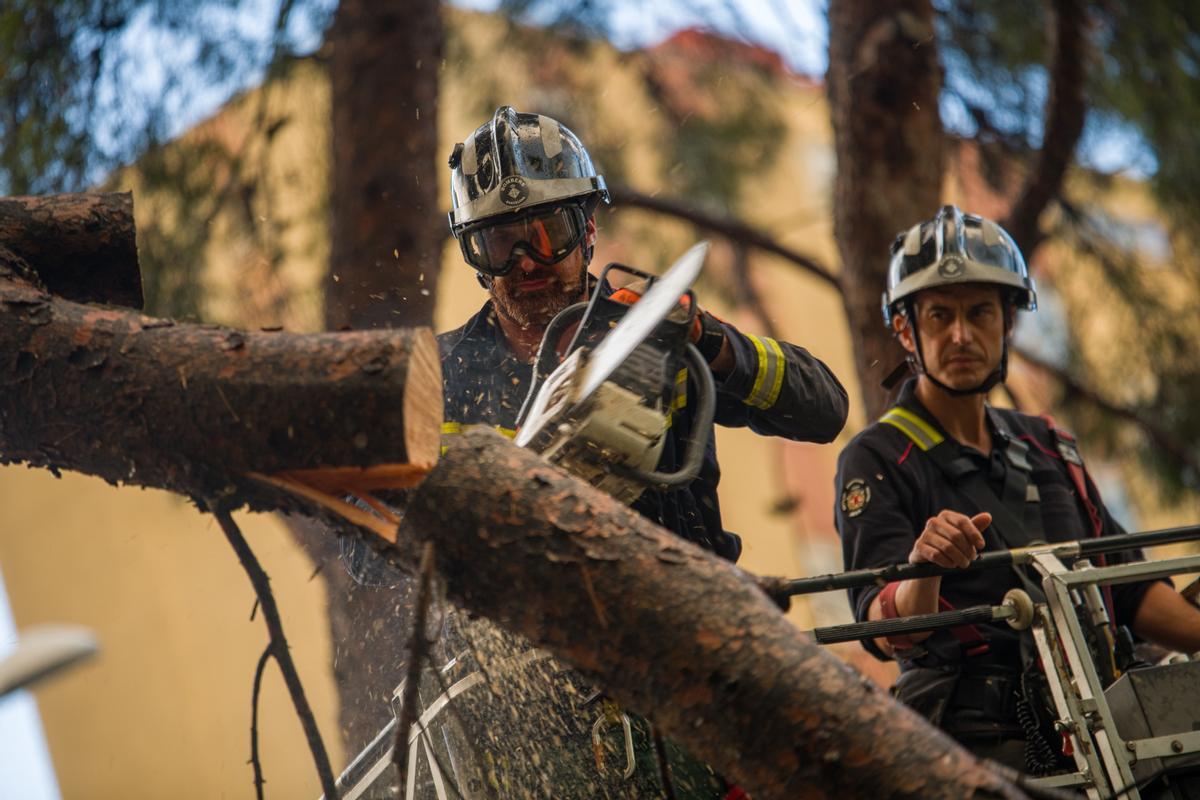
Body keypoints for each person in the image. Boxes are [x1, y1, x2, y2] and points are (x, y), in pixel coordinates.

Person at [340, 106, 848, 799]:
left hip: (695, 673)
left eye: (546, 235)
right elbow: (357, 545)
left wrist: (713, 344)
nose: (526, 267)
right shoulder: (441, 381)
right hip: (532, 724)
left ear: (588, 228)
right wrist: (445, 509)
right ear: (472, 256)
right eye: (499, 245)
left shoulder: (652, 331)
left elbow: (824, 408)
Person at [833, 205, 1200, 774]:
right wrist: (924, 567)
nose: (961, 334)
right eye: (939, 316)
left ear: (1008, 321)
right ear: (906, 328)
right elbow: (883, 629)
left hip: (1113, 723)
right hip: (972, 746)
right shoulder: (877, 456)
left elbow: (1128, 588)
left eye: (980, 312)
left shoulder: (1050, 445)